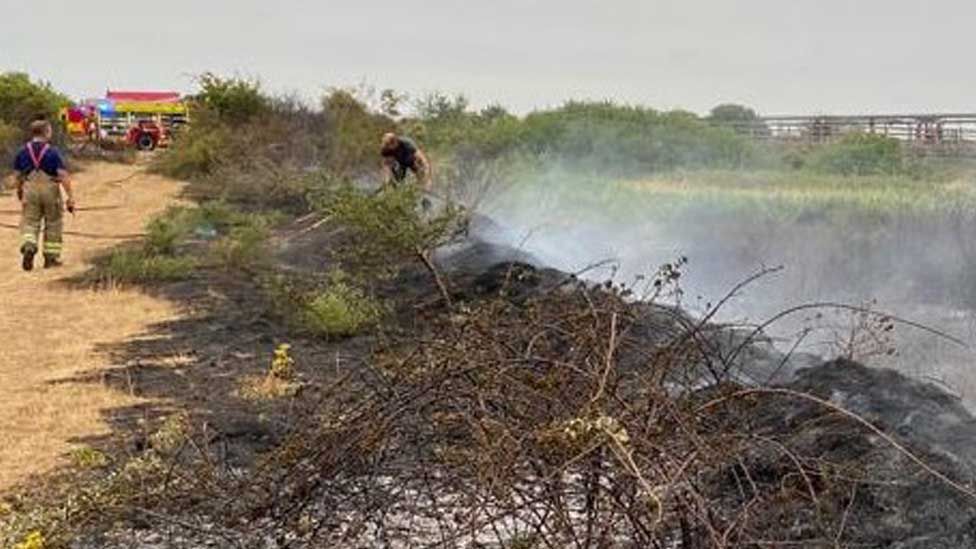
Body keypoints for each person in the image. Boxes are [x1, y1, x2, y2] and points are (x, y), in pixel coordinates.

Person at [10, 119, 76, 271]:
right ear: (46, 132)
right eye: (50, 130)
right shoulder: (53, 152)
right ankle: (51, 258)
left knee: (30, 222)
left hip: (30, 189)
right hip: (50, 189)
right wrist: (70, 198)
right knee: (53, 223)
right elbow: (63, 175)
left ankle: (29, 246)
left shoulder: (22, 151)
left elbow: (17, 175)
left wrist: (19, 190)